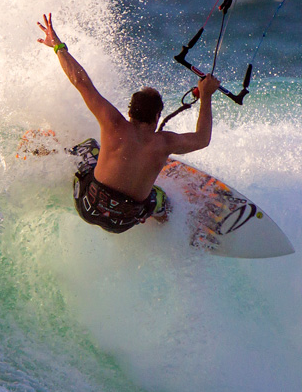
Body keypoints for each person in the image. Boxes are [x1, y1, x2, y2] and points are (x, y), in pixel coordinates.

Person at [37, 12, 219, 233]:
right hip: (123, 222)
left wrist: (58, 46)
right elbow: (202, 139)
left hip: (88, 206)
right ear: (157, 117)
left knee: (88, 148)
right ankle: (172, 226)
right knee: (159, 199)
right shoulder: (165, 143)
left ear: (130, 112)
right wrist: (206, 95)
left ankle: (43, 150)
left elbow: (80, 81)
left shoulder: (113, 123)